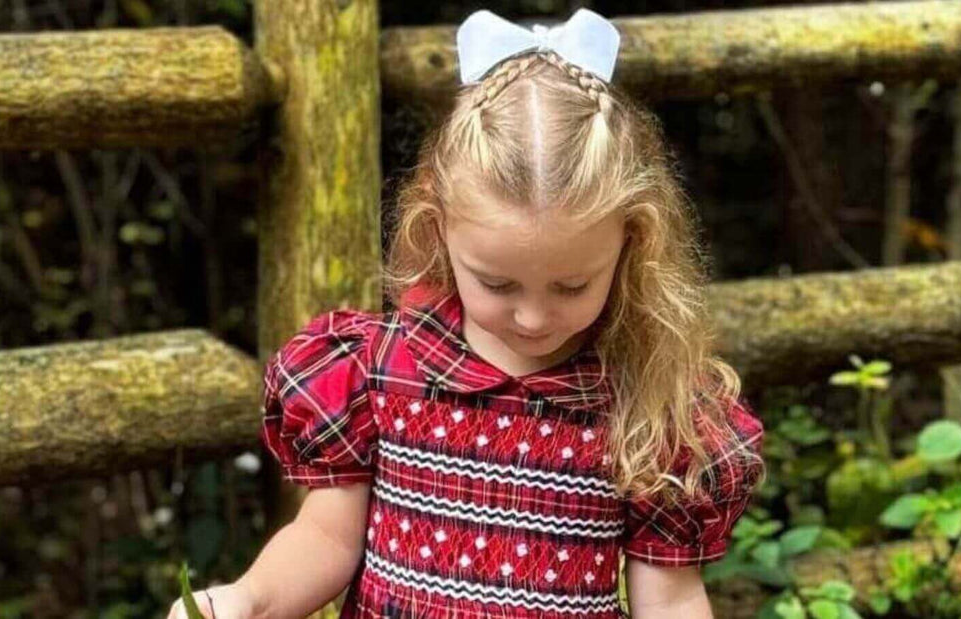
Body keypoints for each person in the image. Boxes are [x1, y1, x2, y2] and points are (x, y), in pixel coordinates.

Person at [168, 8, 764, 619]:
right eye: (497, 283)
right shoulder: (378, 371)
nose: (532, 317)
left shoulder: (643, 401)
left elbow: (669, 600)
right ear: (438, 227)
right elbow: (325, 538)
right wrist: (246, 600)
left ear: (632, 246)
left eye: (572, 286)